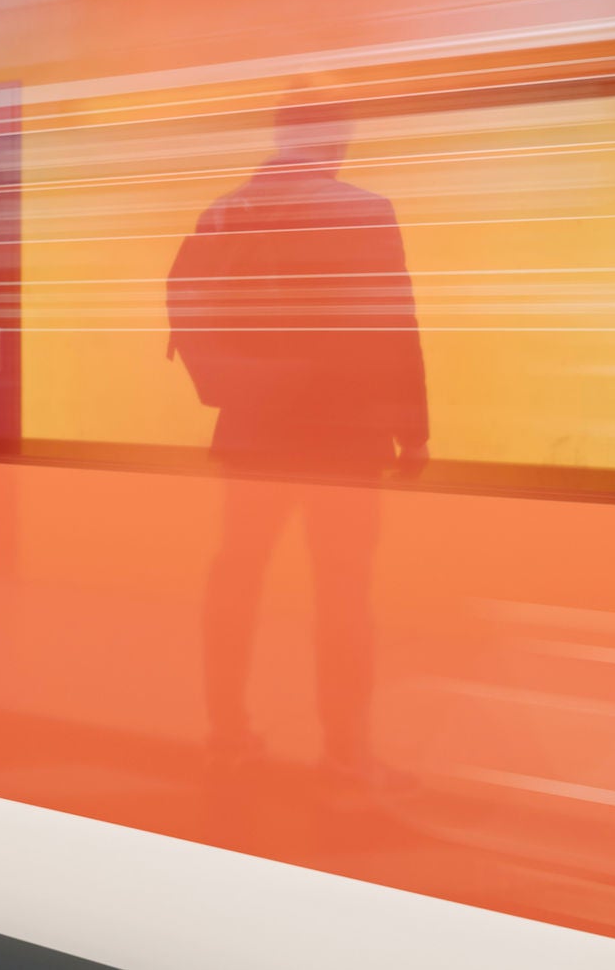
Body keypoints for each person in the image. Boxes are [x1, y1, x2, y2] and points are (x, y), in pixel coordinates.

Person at [167, 95, 427, 788]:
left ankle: (226, 735)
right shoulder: (366, 210)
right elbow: (394, 322)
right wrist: (413, 429)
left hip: (253, 428)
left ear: (282, 139)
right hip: (345, 434)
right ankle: (346, 754)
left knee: (236, 580)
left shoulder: (228, 209)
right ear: (337, 143)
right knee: (343, 593)